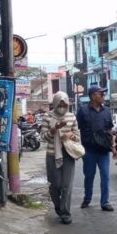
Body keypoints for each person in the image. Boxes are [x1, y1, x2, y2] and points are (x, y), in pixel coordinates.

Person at [41, 92, 81, 224]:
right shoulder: (48, 117)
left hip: (68, 154)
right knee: (55, 185)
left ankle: (65, 213)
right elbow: (43, 137)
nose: (62, 107)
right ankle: (58, 207)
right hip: (53, 155)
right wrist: (54, 129)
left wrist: (70, 135)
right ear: (55, 103)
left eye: (65, 105)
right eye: (60, 104)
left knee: (66, 186)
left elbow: (77, 136)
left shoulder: (71, 116)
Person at [76, 84, 116, 211]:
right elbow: (76, 129)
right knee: (89, 176)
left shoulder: (107, 112)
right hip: (89, 151)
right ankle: (87, 198)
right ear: (93, 96)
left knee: (105, 176)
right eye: (101, 94)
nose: (104, 96)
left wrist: (113, 147)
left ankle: (105, 202)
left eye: (104, 94)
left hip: (104, 150)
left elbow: (110, 130)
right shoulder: (83, 111)